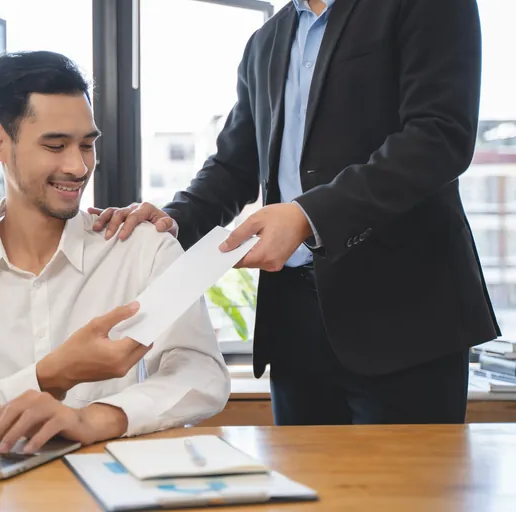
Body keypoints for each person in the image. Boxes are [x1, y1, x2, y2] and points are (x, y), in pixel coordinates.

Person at [91, 0, 499, 425]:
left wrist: (308, 215)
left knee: (407, 490)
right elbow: (234, 167)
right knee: (301, 487)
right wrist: (173, 220)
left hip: (404, 319)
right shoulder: (265, 42)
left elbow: (438, 137)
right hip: (293, 327)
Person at [0, 50, 229, 454]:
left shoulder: (143, 248)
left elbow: (201, 372)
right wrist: (54, 373)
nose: (78, 166)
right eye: (56, 145)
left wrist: (93, 418)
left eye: (87, 145)